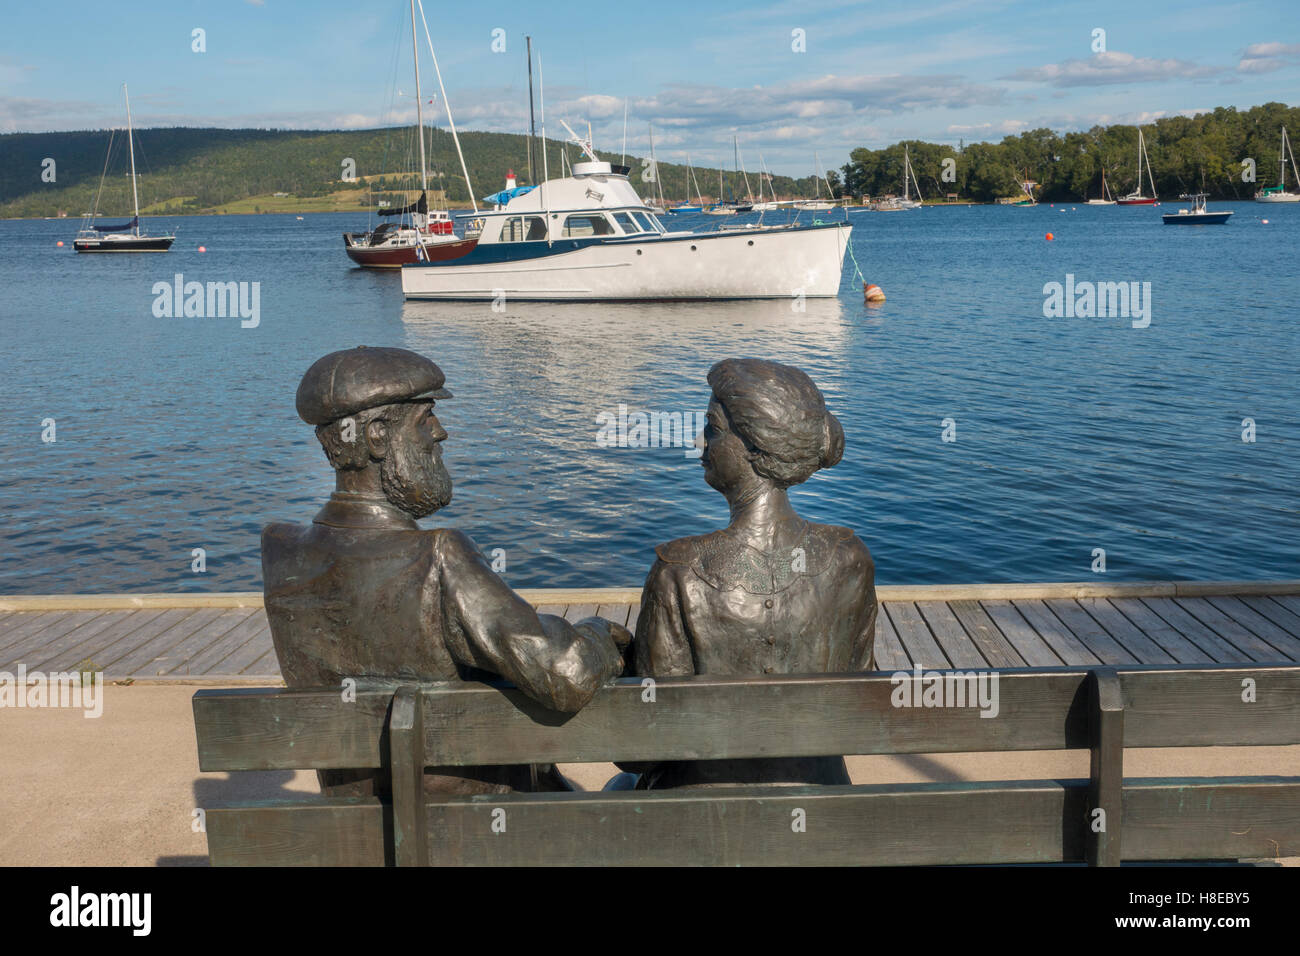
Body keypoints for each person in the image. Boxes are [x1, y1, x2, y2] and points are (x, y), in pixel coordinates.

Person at [262, 346, 627, 797]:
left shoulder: (279, 552)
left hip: (354, 827)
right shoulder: (438, 557)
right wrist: (596, 633)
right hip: (474, 834)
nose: (441, 433)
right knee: (624, 787)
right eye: (426, 418)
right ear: (376, 435)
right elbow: (563, 673)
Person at [623, 358, 877, 790]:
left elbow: (641, 750)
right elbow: (859, 705)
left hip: (699, 818)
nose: (700, 443)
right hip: (820, 799)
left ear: (757, 448)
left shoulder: (679, 572)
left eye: (712, 429)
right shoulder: (849, 560)